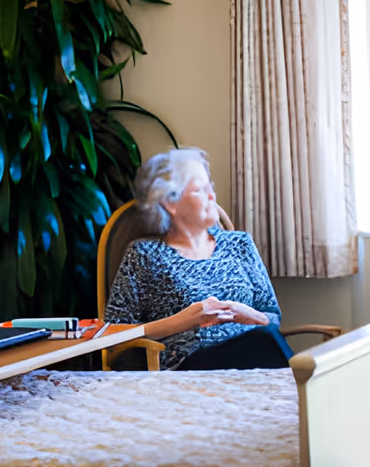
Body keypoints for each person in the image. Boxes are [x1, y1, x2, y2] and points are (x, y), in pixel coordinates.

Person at [104, 148, 294, 371]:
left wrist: (249, 315)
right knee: (268, 345)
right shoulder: (145, 255)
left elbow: (272, 317)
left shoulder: (240, 244)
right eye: (198, 190)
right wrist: (185, 320)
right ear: (170, 203)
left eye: (209, 187)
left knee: (265, 337)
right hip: (191, 366)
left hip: (255, 356)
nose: (212, 196)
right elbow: (113, 334)